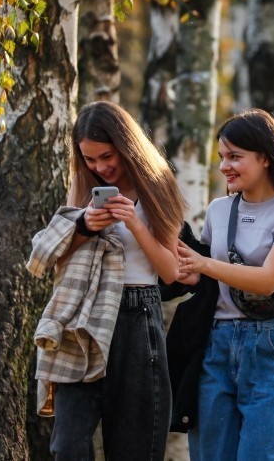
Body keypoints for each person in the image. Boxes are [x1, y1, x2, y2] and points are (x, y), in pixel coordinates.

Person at [30, 101, 186, 461]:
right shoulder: (84, 186)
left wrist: (134, 223)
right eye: (89, 159)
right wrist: (84, 226)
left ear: (126, 147)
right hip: (81, 320)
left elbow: (169, 271)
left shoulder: (158, 184)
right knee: (66, 447)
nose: (99, 167)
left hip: (137, 319)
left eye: (106, 156)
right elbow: (60, 257)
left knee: (133, 449)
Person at [176, 108, 274, 460]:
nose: (225, 166)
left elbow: (269, 280)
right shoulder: (219, 210)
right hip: (216, 344)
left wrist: (206, 263)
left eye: (235, 157)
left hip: (270, 345)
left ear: (266, 158)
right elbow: (205, 278)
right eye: (222, 157)